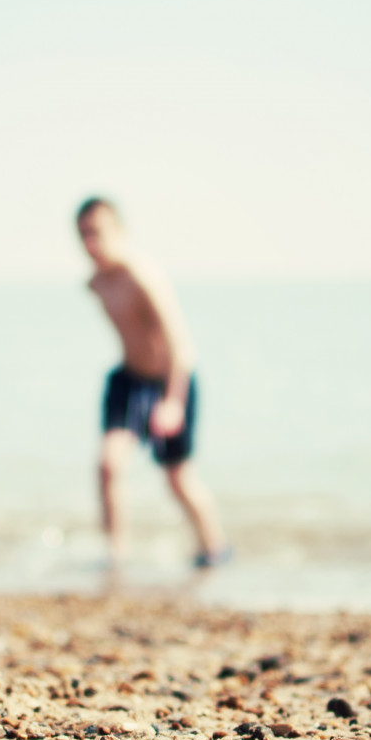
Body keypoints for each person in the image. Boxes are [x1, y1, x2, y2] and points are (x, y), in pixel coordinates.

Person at [75, 195, 231, 575]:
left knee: (178, 479)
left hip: (170, 381)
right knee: (108, 464)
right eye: (83, 236)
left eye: (98, 233)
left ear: (120, 231)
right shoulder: (96, 283)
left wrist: (172, 401)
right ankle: (116, 555)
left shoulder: (142, 275)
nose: (91, 244)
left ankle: (215, 548)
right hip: (129, 380)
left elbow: (180, 344)